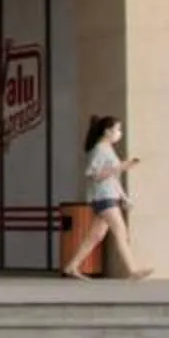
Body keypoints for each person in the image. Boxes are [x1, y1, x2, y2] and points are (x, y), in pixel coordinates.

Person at [62, 114, 147, 280]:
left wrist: (124, 197)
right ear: (107, 131)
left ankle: (72, 266)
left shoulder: (106, 149)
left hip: (107, 197)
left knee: (96, 236)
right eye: (117, 130)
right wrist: (121, 166)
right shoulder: (100, 149)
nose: (119, 133)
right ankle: (133, 270)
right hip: (104, 198)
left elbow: (112, 178)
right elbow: (93, 174)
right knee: (121, 232)